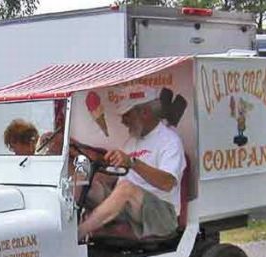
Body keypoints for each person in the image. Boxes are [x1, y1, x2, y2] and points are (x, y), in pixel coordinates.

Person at [78, 85, 186, 240]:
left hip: (161, 214)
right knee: (88, 183)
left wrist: (132, 163)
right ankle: (61, 227)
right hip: (128, 208)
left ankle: (77, 234)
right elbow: (113, 177)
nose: (123, 121)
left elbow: (167, 183)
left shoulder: (170, 141)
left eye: (127, 115)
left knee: (125, 189)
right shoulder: (131, 141)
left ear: (145, 112)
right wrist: (93, 174)